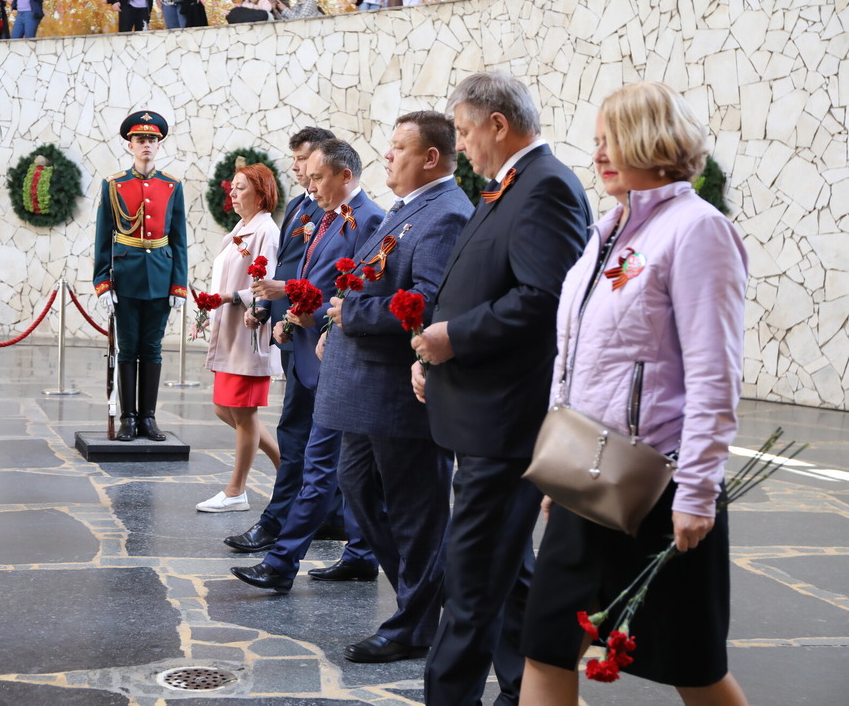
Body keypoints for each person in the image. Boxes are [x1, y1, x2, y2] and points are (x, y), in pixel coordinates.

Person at [519, 82, 750, 706]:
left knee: (692, 667)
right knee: (543, 646)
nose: (599, 153)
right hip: (587, 478)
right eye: (596, 141)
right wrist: (557, 466)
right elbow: (574, 359)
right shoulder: (608, 232)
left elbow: (715, 374)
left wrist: (698, 492)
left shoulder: (698, 230)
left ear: (657, 140)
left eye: (613, 139)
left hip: (660, 486)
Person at [410, 71, 592, 705]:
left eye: (463, 132)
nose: (460, 147)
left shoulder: (545, 188)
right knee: (505, 570)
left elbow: (544, 299)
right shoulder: (510, 185)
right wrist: (434, 355)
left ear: (498, 123)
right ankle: (521, 689)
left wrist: (453, 338)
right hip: (481, 411)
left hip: (505, 423)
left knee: (471, 579)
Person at [316, 111, 472, 663]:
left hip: (398, 392)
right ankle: (422, 595)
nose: (386, 156)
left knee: (415, 509)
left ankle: (415, 621)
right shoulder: (409, 209)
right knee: (358, 487)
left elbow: (427, 304)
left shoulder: (447, 213)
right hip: (367, 389)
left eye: (398, 147)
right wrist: (340, 318)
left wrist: (349, 312)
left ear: (430, 158)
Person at [230, 138, 383, 593]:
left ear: (345, 176)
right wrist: (293, 316)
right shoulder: (328, 215)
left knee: (323, 464)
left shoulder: (369, 219)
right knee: (341, 464)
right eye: (308, 176)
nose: (310, 186)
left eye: (317, 177)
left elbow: (359, 292)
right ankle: (360, 553)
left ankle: (283, 562)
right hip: (311, 343)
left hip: (339, 355)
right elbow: (314, 277)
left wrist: (315, 320)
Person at [224, 126, 335, 551]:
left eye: (303, 158)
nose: (295, 167)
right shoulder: (301, 207)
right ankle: (324, 516)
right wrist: (265, 310)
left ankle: (278, 521)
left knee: (303, 435)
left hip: (317, 339)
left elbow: (328, 279)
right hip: (292, 336)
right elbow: (288, 269)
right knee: (299, 433)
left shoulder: (350, 215)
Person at [94, 110, 188, 443]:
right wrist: (102, 283)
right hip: (126, 275)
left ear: (159, 145)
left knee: (152, 349)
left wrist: (179, 285)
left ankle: (148, 418)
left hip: (161, 278)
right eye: (140, 139)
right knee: (128, 348)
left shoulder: (171, 186)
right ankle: (128, 419)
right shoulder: (114, 185)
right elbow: (103, 237)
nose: (146, 144)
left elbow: (178, 239)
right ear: (130, 145)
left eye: (152, 139)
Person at [197, 164, 283, 513]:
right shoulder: (240, 228)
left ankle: (236, 491)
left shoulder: (267, 231)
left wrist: (232, 299)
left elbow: (268, 283)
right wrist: (209, 311)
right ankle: (290, 467)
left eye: (240, 188)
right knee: (224, 408)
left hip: (249, 331)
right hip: (229, 330)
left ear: (261, 193)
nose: (232, 194)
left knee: (244, 413)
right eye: (231, 188)